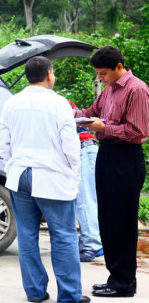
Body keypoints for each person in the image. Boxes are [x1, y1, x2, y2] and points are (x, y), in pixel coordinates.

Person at [0, 56, 90, 303]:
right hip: (52, 175)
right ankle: (69, 294)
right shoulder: (59, 104)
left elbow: (2, 143)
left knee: (27, 235)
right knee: (63, 234)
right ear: (49, 74)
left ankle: (35, 292)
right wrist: (73, 169)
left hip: (20, 175)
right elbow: (70, 142)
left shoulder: (12, 103)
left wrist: (11, 164)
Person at [73, 45, 149, 298]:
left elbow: (139, 131)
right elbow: (91, 114)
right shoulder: (109, 90)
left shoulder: (136, 89)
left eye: (103, 73)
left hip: (125, 157)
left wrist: (104, 128)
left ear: (119, 67)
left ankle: (124, 283)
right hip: (106, 154)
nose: (100, 78)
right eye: (98, 74)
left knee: (122, 222)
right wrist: (71, 113)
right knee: (107, 219)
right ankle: (114, 277)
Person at [69, 101, 103, 262]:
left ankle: (91, 245)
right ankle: (88, 242)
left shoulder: (61, 103)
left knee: (85, 199)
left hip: (84, 149)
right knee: (81, 200)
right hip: (81, 151)